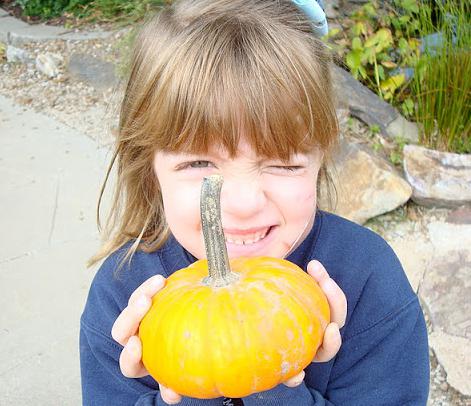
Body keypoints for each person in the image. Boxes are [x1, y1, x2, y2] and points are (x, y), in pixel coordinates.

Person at [79, 0, 430, 405]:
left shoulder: (368, 279)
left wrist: (271, 384)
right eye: (198, 162)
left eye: (283, 163)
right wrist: (196, 382)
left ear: (321, 158)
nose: (244, 203)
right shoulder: (121, 292)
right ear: (149, 167)